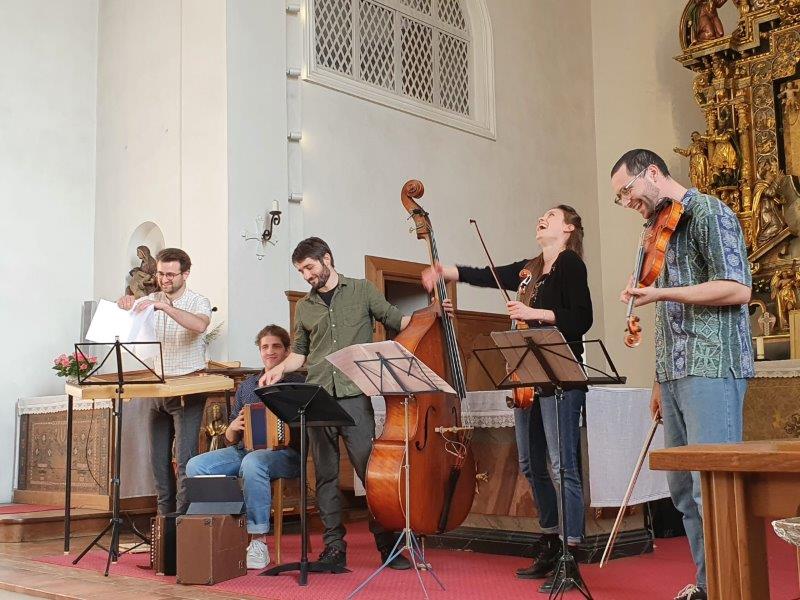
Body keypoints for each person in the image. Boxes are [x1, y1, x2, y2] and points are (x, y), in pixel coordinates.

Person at [421, 205, 592, 593]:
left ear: (568, 228)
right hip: (526, 379)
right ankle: (551, 541)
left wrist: (535, 312)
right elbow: (491, 274)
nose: (541, 218)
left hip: (560, 378)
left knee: (562, 466)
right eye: (541, 215)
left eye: (551, 215)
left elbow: (582, 318)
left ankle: (571, 554)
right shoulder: (531, 267)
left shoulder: (570, 265)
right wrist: (448, 271)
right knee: (531, 465)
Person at [611, 149, 753, 600]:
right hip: (674, 372)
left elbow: (738, 288)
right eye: (619, 198)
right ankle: (710, 586)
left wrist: (661, 293)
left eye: (627, 191)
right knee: (683, 492)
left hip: (712, 363)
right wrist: (659, 378)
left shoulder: (709, 212)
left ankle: (733, 589)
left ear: (652, 173)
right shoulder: (655, 230)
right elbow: (665, 316)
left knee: (712, 488)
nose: (627, 202)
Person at [261, 237, 412, 570]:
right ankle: (334, 548)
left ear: (327, 258)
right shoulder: (305, 307)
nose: (307, 276)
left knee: (371, 474)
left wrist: (431, 316)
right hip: (317, 397)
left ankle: (388, 546)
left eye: (309, 267)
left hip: (355, 395)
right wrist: (278, 369)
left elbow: (398, 321)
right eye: (301, 271)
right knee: (326, 476)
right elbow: (300, 354)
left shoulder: (362, 290)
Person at [186, 325, 304, 569]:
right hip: (244, 449)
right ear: (259, 351)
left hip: (285, 454)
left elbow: (306, 430)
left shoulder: (298, 383)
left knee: (253, 463)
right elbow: (230, 438)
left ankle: (258, 540)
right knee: (196, 466)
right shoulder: (248, 386)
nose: (270, 351)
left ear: (287, 351)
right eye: (265, 347)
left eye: (276, 346)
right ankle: (225, 531)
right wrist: (233, 427)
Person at [117, 247, 212, 515]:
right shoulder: (149, 299)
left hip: (187, 387)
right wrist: (125, 303)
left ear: (186, 274)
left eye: (170, 274)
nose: (164, 279)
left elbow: (200, 325)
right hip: (157, 386)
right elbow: (127, 321)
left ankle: (183, 522)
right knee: (158, 461)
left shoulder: (198, 301)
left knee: (184, 459)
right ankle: (164, 522)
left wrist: (164, 307)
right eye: (160, 273)